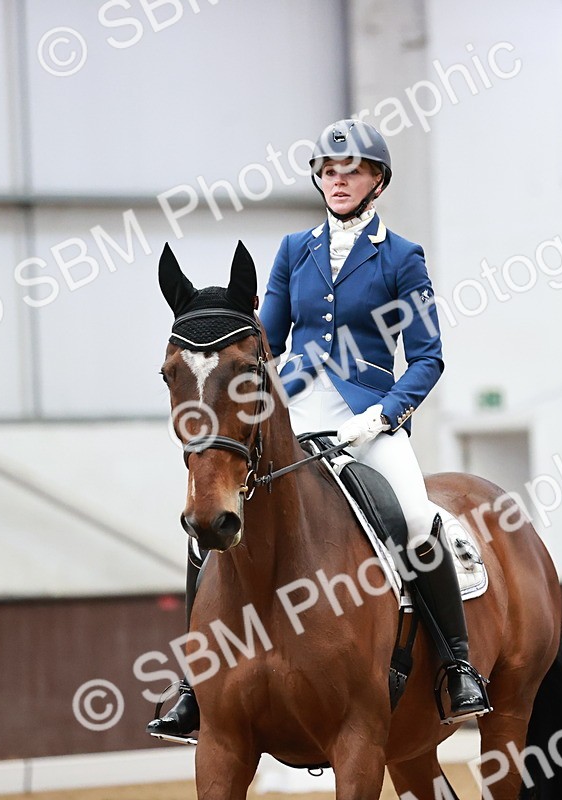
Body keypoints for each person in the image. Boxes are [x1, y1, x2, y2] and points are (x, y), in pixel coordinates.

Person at [147, 119, 489, 742]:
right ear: (318, 178)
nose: (339, 180)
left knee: (416, 518)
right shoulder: (292, 251)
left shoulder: (401, 257)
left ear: (376, 181)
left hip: (369, 415)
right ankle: (195, 682)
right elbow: (268, 341)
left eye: (352, 170)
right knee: (210, 524)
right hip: (294, 411)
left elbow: (427, 357)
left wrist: (383, 416)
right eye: (330, 171)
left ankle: (458, 665)